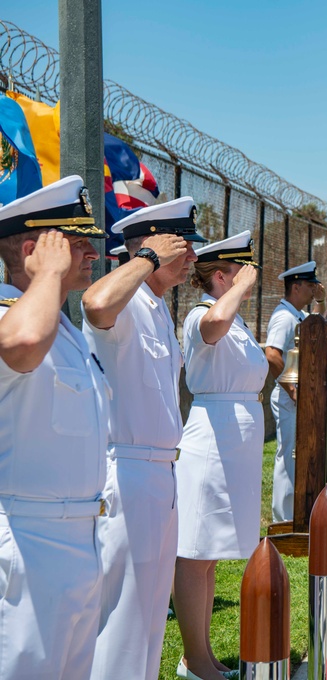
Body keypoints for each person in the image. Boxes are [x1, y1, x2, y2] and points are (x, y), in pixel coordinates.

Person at [83, 197, 204, 680]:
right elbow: (94, 304)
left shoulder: (154, 306)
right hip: (127, 471)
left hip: (159, 471)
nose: (193, 258)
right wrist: (146, 258)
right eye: (182, 247)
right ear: (151, 247)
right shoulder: (125, 301)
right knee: (123, 611)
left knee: (152, 609)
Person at [0, 177, 110, 679]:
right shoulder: (12, 316)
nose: (91, 253)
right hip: (26, 540)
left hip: (80, 537)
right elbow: (22, 343)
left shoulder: (63, 330)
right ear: (32, 250)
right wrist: (42, 276)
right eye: (76, 242)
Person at [173, 231, 266, 680]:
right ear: (221, 275)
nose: (250, 278)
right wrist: (241, 288)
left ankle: (204, 657)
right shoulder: (199, 314)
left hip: (234, 441)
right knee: (194, 552)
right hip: (211, 442)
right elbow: (212, 328)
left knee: (208, 554)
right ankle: (192, 658)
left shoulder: (239, 322)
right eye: (242, 272)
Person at [266, 261, 326, 522]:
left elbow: (320, 327)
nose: (314, 289)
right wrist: (292, 390)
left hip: (302, 397)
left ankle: (298, 512)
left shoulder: (297, 315)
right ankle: (283, 519)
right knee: (288, 456)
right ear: (296, 286)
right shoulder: (283, 316)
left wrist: (320, 302)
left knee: (301, 455)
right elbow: (271, 355)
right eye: (311, 285)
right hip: (291, 397)